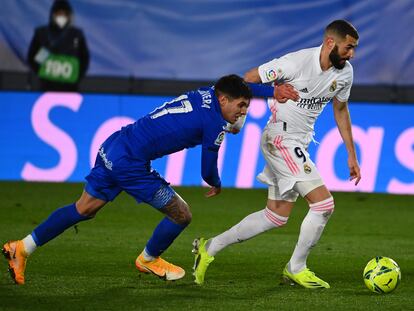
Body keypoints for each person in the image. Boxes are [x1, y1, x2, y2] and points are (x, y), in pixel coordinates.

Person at [2, 74, 297, 285]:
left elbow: (231, 100)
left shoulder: (207, 93)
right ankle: (148, 259)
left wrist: (256, 102)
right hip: (129, 164)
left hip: (116, 144)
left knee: (84, 208)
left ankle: (23, 247)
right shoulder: (215, 121)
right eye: (241, 106)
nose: (243, 113)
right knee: (181, 214)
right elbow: (207, 169)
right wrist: (216, 182)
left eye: (246, 108)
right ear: (223, 99)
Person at [193, 20, 362, 289]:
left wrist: (352, 155)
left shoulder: (345, 73)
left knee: (276, 216)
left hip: (299, 143)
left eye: (354, 49)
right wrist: (239, 119)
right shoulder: (295, 63)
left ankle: (210, 247)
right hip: (280, 139)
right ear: (330, 42)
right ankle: (296, 267)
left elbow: (340, 110)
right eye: (348, 47)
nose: (351, 54)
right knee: (323, 205)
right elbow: (247, 79)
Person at [27, 0, 89, 92]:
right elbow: (32, 58)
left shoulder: (77, 35)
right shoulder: (42, 34)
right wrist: (42, 73)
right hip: (46, 86)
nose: (61, 17)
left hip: (70, 88)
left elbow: (84, 59)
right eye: (59, 14)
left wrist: (76, 77)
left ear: (69, 16)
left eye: (65, 14)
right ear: (52, 15)